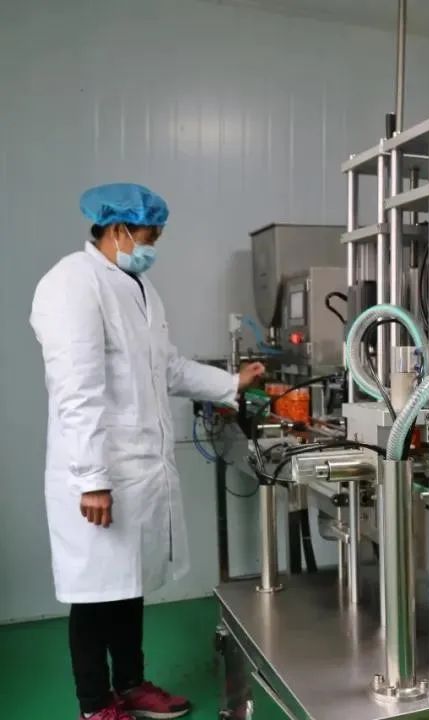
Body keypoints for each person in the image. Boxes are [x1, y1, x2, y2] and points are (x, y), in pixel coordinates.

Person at [29, 183, 266, 720]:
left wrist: (230, 382)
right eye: (149, 236)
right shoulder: (73, 283)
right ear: (117, 230)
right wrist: (91, 479)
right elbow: (76, 390)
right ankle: (95, 704)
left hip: (137, 471)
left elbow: (168, 368)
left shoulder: (139, 289)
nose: (153, 245)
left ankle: (131, 684)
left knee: (126, 586)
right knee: (95, 594)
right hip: (100, 471)